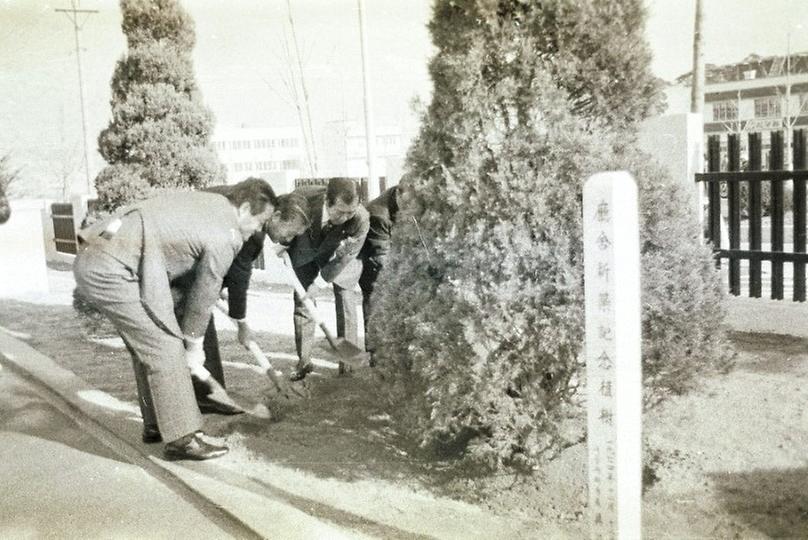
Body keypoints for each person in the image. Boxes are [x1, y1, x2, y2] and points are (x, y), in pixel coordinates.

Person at [73, 178, 277, 460]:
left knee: (148, 346)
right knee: (166, 346)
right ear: (244, 209)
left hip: (102, 255)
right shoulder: (227, 234)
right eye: (259, 221)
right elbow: (204, 294)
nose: (258, 229)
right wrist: (193, 349)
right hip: (112, 269)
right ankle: (182, 439)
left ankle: (158, 424)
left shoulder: (215, 203)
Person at [186, 190, 310, 407]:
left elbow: (233, 267)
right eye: (289, 234)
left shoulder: (257, 220)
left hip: (200, 262)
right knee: (189, 331)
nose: (287, 241)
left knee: (203, 324)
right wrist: (241, 323)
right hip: (184, 260)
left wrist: (215, 286)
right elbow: (239, 274)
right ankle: (193, 402)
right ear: (277, 216)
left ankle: (209, 397)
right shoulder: (252, 229)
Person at [285, 178, 369, 381]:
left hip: (338, 255)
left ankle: (348, 366)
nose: (347, 216)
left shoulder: (360, 218)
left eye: (351, 211)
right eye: (340, 211)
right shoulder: (301, 199)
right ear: (327, 202)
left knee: (346, 298)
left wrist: (320, 282)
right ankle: (304, 362)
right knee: (303, 302)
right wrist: (282, 241)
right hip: (305, 248)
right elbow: (281, 221)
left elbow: (347, 256)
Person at [357, 176, 414, 366]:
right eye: (406, 204)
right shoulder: (378, 213)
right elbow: (381, 255)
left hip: (394, 259)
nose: (408, 209)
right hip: (372, 263)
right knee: (375, 303)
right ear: (398, 192)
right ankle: (375, 354)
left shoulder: (406, 198)